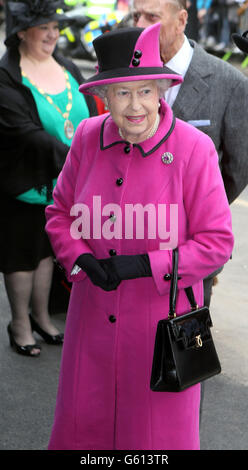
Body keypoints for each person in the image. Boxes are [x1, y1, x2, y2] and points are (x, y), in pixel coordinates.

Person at [45, 22, 234, 450]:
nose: (135, 106)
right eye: (123, 93)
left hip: (159, 333)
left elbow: (216, 242)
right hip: (90, 326)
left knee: (152, 446)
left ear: (161, 92)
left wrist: (148, 264)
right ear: (103, 97)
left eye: (146, 91)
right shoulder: (88, 139)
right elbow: (59, 213)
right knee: (84, 437)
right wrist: (78, 255)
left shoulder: (193, 149)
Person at [131, 0, 248, 307]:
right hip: (128, 241)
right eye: (136, 15)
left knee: (187, 344)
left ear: (182, 20)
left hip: (192, 247)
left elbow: (237, 169)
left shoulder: (229, 82)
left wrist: (195, 212)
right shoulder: (126, 72)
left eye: (151, 17)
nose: (140, 25)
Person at [0, 0, 98, 357]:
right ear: (23, 32)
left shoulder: (67, 64)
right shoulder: (7, 74)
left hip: (66, 184)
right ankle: (20, 325)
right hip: (25, 185)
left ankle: (41, 317)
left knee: (47, 253)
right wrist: (79, 159)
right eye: (45, 27)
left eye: (56, 27)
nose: (54, 34)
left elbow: (90, 107)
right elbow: (25, 132)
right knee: (22, 257)